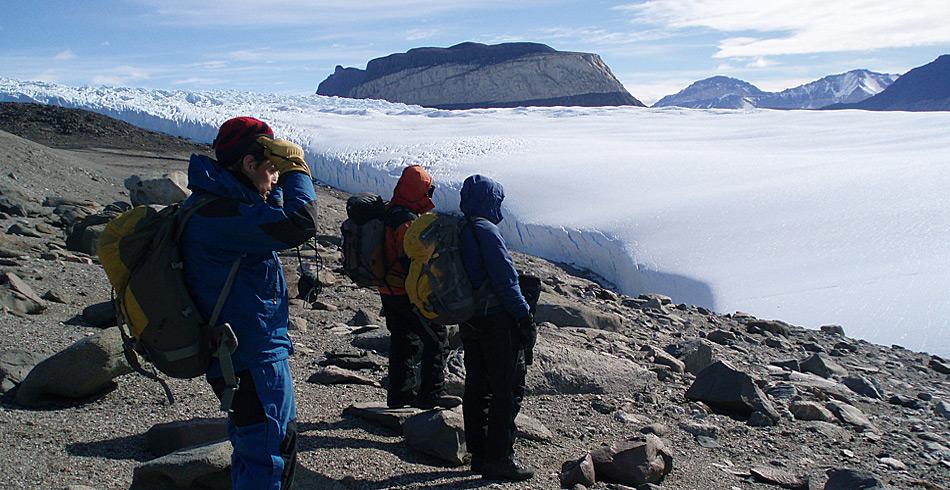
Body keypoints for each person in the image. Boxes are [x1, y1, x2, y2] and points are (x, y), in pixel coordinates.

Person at [180, 116, 318, 489]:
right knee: (270, 454)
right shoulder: (223, 214)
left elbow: (267, 220)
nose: (275, 179)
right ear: (248, 164)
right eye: (271, 169)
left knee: (254, 447)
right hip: (252, 355)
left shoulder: (218, 204)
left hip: (240, 353)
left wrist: (271, 186)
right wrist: (297, 170)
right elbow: (300, 222)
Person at [457, 174, 535, 482]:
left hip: (470, 318)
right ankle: (500, 457)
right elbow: (505, 280)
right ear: (490, 200)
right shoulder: (486, 230)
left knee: (477, 386)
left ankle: (479, 453)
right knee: (506, 390)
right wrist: (524, 316)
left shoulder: (461, 227)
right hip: (496, 320)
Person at [379, 165, 460, 409]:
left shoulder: (388, 212)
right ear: (417, 191)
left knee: (404, 340)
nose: (429, 195)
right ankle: (431, 396)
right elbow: (410, 260)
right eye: (427, 190)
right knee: (436, 338)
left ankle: (399, 396)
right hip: (408, 292)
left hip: (388, 290)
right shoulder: (406, 222)